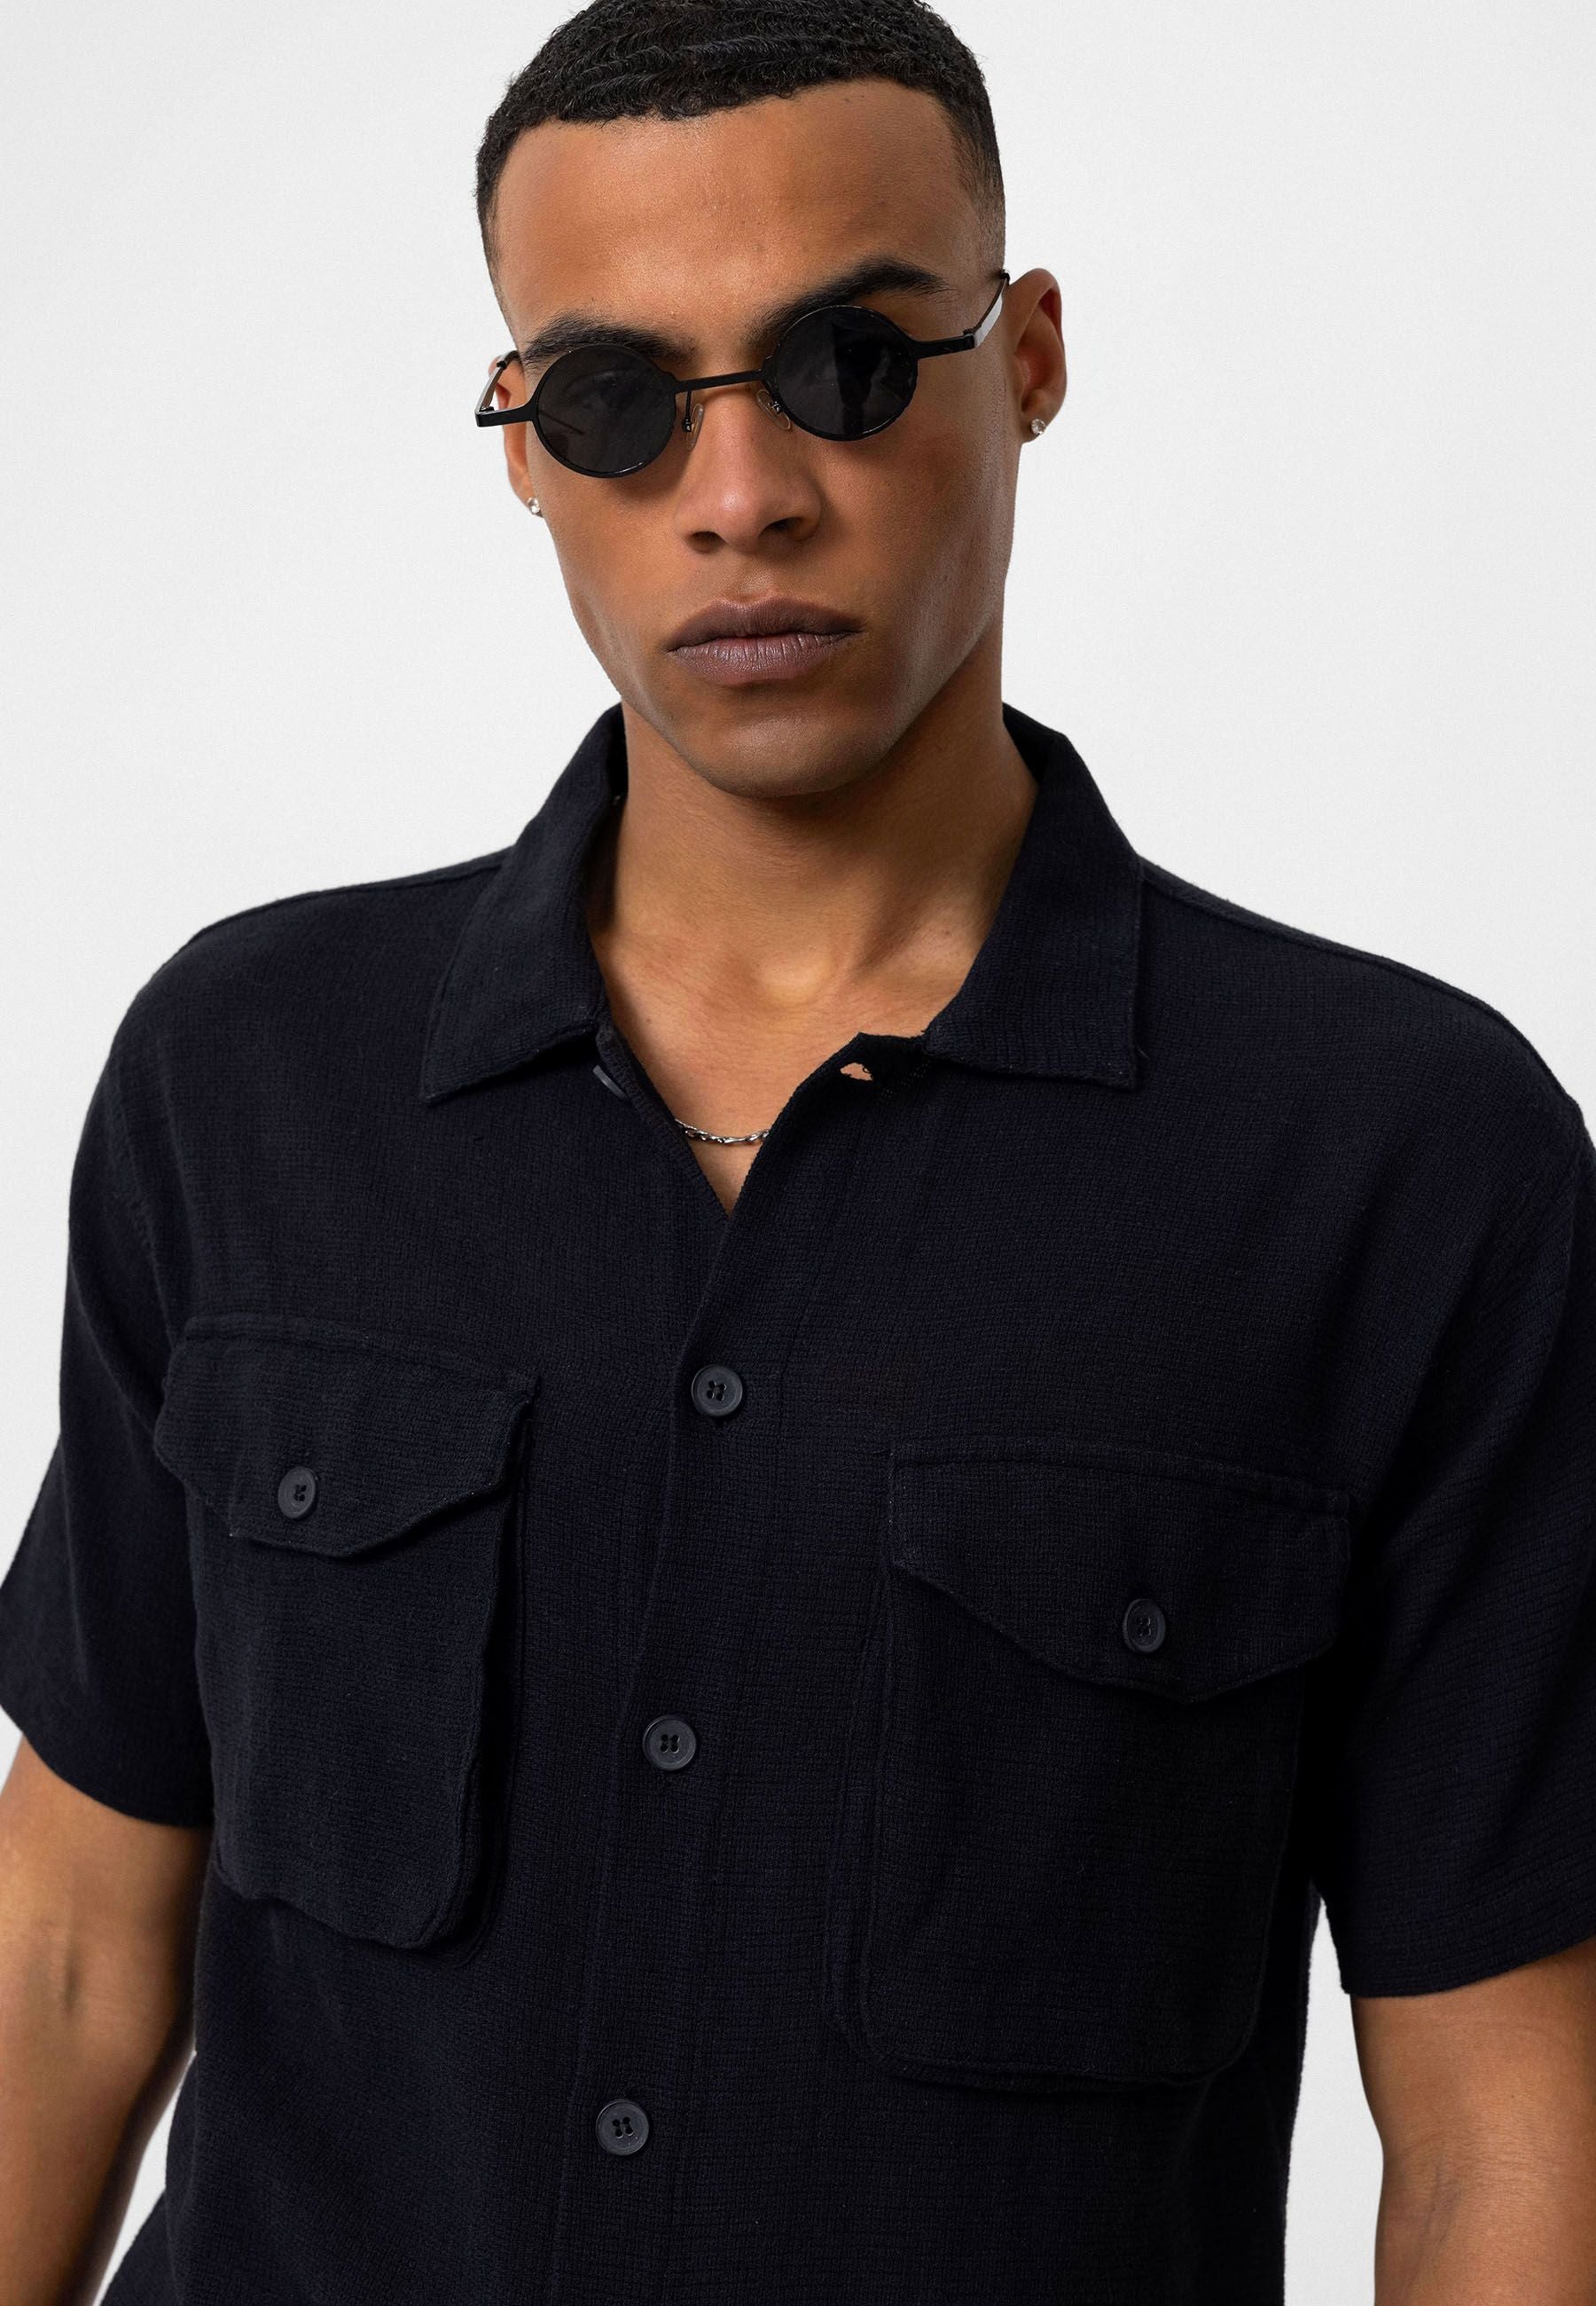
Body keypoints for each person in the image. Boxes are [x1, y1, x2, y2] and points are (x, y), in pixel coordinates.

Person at [3, 2, 1594, 2299]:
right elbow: (67, 1950)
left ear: (1025, 360)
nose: (738, 494)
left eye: (849, 363)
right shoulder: (246, 1076)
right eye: (618, 399)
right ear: (524, 447)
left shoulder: (1397, 1162)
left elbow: (1502, 2126)